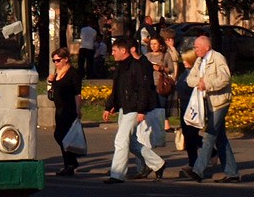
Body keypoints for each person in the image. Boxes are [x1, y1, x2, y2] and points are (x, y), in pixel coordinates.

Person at [102, 37, 166, 183]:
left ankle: (117, 174)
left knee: (120, 140)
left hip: (134, 108)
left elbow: (143, 89)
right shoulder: (120, 67)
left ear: (123, 50)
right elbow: (117, 89)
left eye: (114, 50)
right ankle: (158, 164)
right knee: (131, 142)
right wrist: (109, 106)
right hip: (125, 108)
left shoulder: (137, 66)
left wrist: (141, 110)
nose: (112, 53)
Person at [181, 34, 239, 182]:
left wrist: (206, 84)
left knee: (210, 135)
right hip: (208, 103)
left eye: (197, 47)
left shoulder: (217, 58)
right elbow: (190, 79)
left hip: (220, 102)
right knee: (220, 138)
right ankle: (232, 173)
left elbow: (225, 78)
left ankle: (198, 170)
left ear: (207, 47)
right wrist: (199, 82)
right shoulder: (199, 61)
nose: (195, 50)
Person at [47, 47, 83, 176]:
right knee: (60, 135)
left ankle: (70, 163)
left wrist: (78, 109)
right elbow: (50, 94)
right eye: (54, 61)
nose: (56, 63)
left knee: (62, 136)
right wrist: (50, 82)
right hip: (59, 109)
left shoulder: (73, 73)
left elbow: (77, 94)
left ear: (66, 59)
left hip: (69, 108)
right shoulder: (57, 73)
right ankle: (69, 163)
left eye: (58, 60)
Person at [175, 47, 203, 174]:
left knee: (191, 135)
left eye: (186, 59)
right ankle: (193, 161)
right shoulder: (185, 71)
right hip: (184, 106)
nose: (184, 62)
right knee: (188, 135)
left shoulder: (194, 72)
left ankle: (197, 161)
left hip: (192, 107)